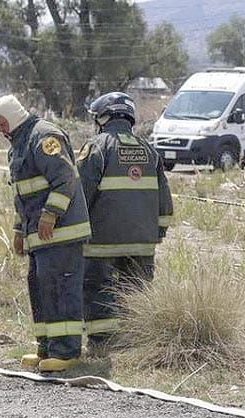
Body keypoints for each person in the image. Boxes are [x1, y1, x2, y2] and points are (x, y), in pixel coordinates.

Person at [0, 94, 91, 372]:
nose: (0, 129)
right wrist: (18, 231)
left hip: (62, 233)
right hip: (39, 237)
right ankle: (46, 347)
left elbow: (65, 179)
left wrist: (50, 214)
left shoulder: (44, 137)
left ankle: (67, 350)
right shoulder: (19, 145)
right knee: (41, 287)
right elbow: (23, 195)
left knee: (61, 287)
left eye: (1, 123)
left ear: (11, 117)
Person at [76, 92, 173, 354]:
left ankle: (103, 343)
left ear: (104, 117)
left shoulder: (97, 147)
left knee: (99, 288)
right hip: (143, 241)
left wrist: (72, 229)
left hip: (102, 241)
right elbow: (164, 197)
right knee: (136, 289)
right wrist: (158, 231)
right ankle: (136, 339)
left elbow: (81, 193)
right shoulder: (148, 150)